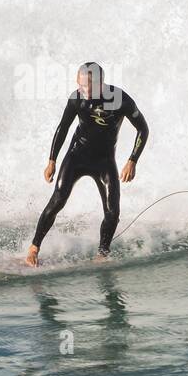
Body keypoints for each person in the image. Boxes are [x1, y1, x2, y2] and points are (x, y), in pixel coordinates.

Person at [26, 62, 148, 266]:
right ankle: (34, 248)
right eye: (82, 86)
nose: (86, 91)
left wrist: (132, 160)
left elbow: (143, 129)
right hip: (77, 155)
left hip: (104, 160)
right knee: (58, 199)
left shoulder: (117, 98)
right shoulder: (77, 99)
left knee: (113, 212)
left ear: (102, 83)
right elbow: (62, 128)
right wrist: (52, 160)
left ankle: (102, 254)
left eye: (90, 86)